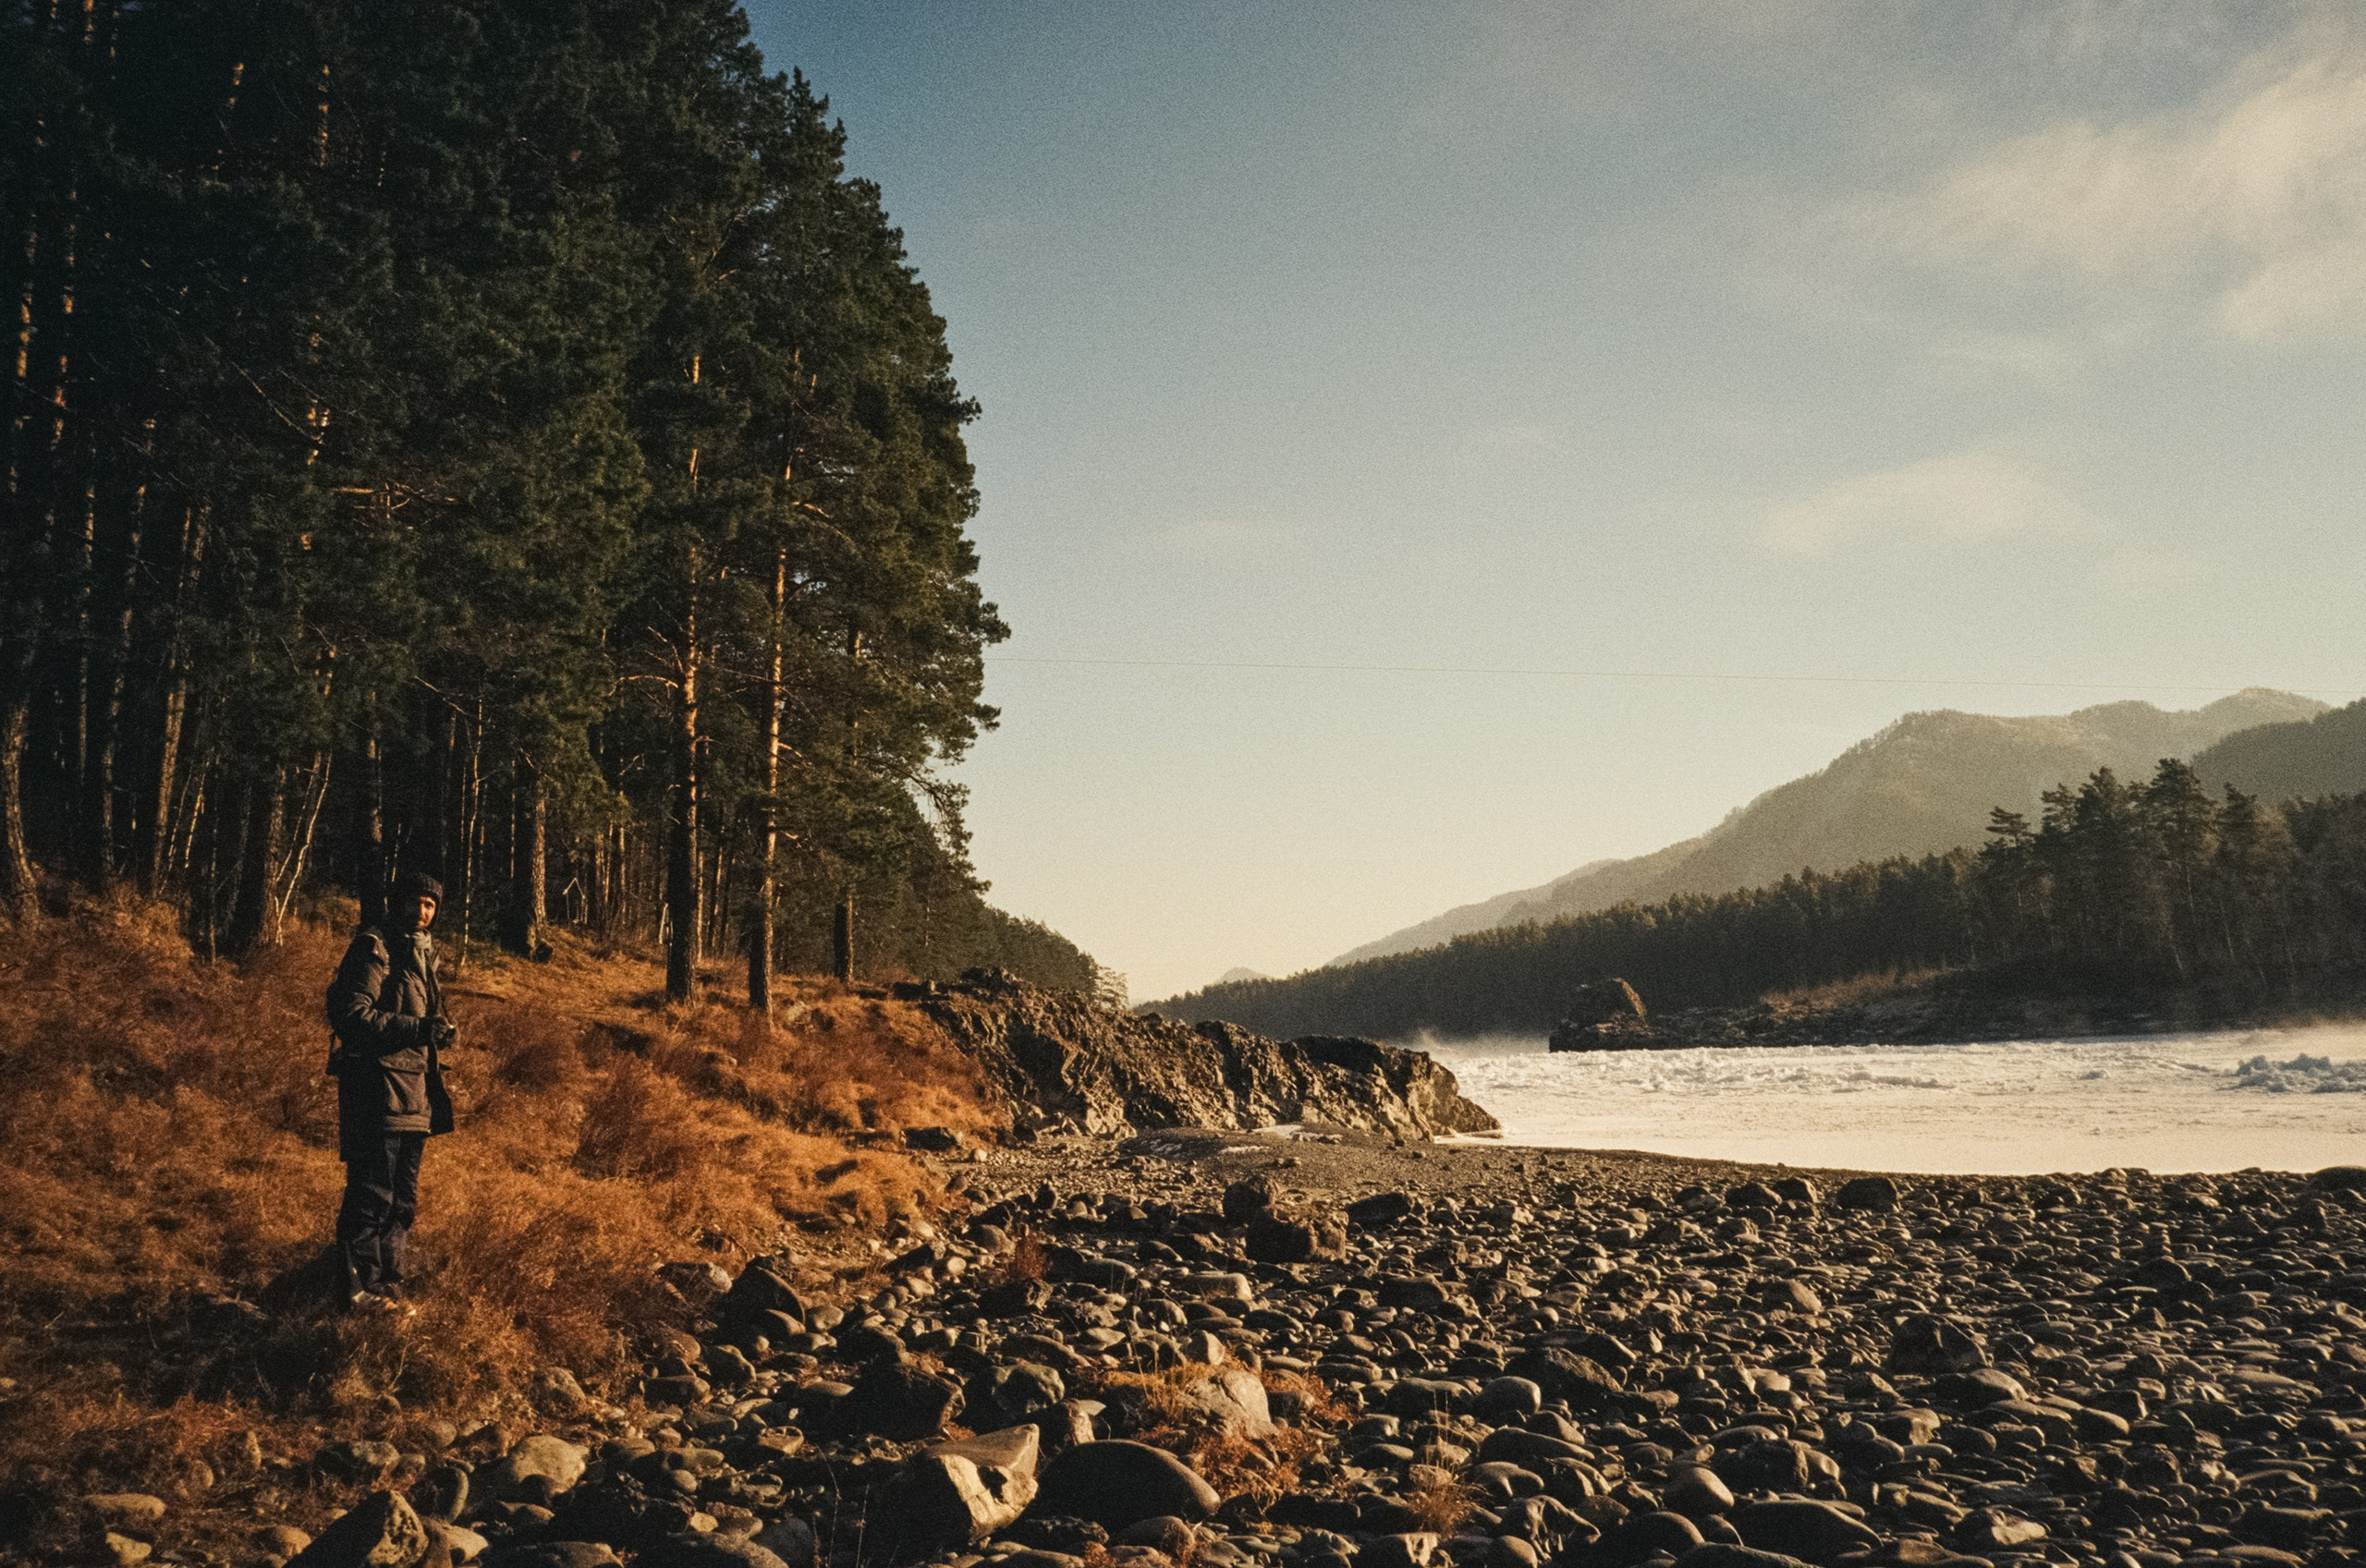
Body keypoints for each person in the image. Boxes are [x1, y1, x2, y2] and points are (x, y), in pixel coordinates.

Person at [324, 869, 457, 1312]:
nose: (422, 911)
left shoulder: (423, 955)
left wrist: (439, 1033)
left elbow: (418, 1023)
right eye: (415, 901)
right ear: (397, 902)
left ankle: (388, 1285)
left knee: (402, 1201)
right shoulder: (374, 947)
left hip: (415, 1096)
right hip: (376, 1092)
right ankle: (358, 1291)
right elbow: (353, 1015)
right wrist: (418, 1028)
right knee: (372, 1195)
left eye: (430, 905)